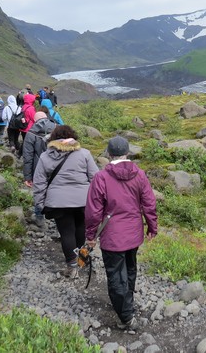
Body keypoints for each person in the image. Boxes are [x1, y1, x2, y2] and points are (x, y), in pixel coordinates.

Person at [85, 136, 158, 330]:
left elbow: (93, 211)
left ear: (109, 154)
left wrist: (90, 236)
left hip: (112, 236)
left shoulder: (101, 177)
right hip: (133, 233)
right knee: (130, 267)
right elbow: (149, 203)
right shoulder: (140, 175)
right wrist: (152, 227)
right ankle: (127, 302)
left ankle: (126, 316)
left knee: (116, 274)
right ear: (127, 153)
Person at [33, 125, 99, 277]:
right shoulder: (84, 154)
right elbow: (95, 178)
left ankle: (72, 267)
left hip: (58, 202)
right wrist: (97, 201)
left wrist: (40, 203)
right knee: (81, 229)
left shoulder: (45, 156)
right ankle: (82, 260)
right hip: (83, 200)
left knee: (66, 233)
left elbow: (39, 183)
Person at [23, 111, 57, 225]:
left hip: (39, 168)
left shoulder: (31, 133)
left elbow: (28, 157)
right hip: (57, 169)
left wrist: (28, 176)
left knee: (39, 192)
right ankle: (59, 221)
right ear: (46, 118)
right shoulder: (58, 130)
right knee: (57, 191)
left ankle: (39, 218)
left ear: (35, 120)